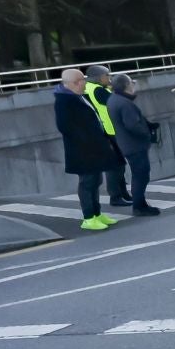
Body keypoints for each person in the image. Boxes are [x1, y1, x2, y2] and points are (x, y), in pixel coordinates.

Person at [53, 68, 119, 231]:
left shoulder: (79, 96)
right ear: (75, 82)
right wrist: (86, 142)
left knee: (96, 180)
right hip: (82, 150)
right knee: (87, 182)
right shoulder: (64, 100)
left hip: (93, 147)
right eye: (83, 79)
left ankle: (97, 214)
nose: (86, 82)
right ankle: (89, 217)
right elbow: (65, 126)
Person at [105, 73, 160, 218]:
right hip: (134, 145)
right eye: (131, 83)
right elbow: (132, 125)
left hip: (127, 144)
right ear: (126, 86)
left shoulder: (114, 100)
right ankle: (139, 206)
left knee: (140, 174)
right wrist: (147, 132)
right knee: (141, 175)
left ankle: (141, 204)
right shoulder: (124, 103)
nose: (133, 85)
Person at [81, 64, 128, 209]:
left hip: (105, 131)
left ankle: (122, 194)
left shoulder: (89, 88)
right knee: (116, 165)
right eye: (107, 75)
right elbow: (119, 101)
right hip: (109, 131)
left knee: (118, 164)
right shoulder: (98, 90)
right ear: (99, 77)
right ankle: (116, 196)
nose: (110, 78)